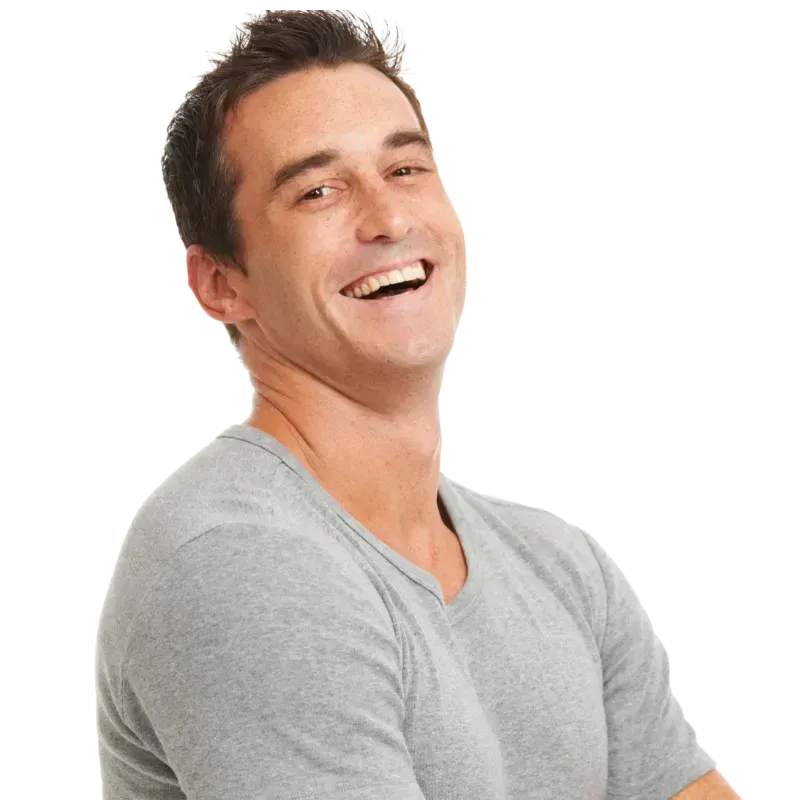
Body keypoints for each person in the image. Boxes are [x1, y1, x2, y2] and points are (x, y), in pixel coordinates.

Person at [97, 9, 739, 799]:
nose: (390, 219)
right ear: (221, 285)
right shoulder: (240, 563)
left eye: (404, 170)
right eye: (318, 190)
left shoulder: (557, 563)